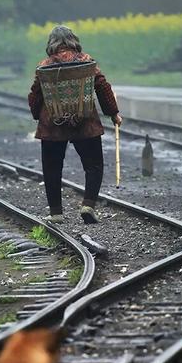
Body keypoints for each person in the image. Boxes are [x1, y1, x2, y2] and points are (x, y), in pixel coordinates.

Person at [28, 24, 122, 224]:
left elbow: (35, 94)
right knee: (93, 165)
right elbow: (102, 86)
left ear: (52, 43)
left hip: (53, 124)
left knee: (52, 167)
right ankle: (88, 205)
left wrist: (38, 115)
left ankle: (56, 213)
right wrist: (113, 113)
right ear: (73, 41)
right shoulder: (86, 62)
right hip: (84, 122)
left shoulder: (44, 66)